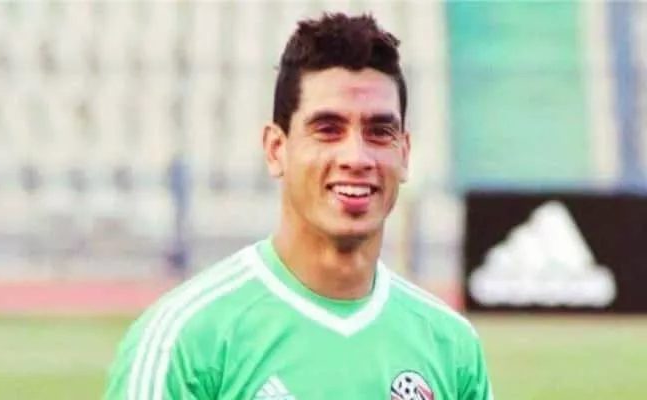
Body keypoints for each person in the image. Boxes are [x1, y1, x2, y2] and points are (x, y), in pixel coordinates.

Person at [105, 12, 493, 400]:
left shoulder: (452, 346)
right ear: (276, 149)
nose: (356, 157)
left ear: (404, 154)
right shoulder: (183, 342)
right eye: (328, 130)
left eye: (379, 132)